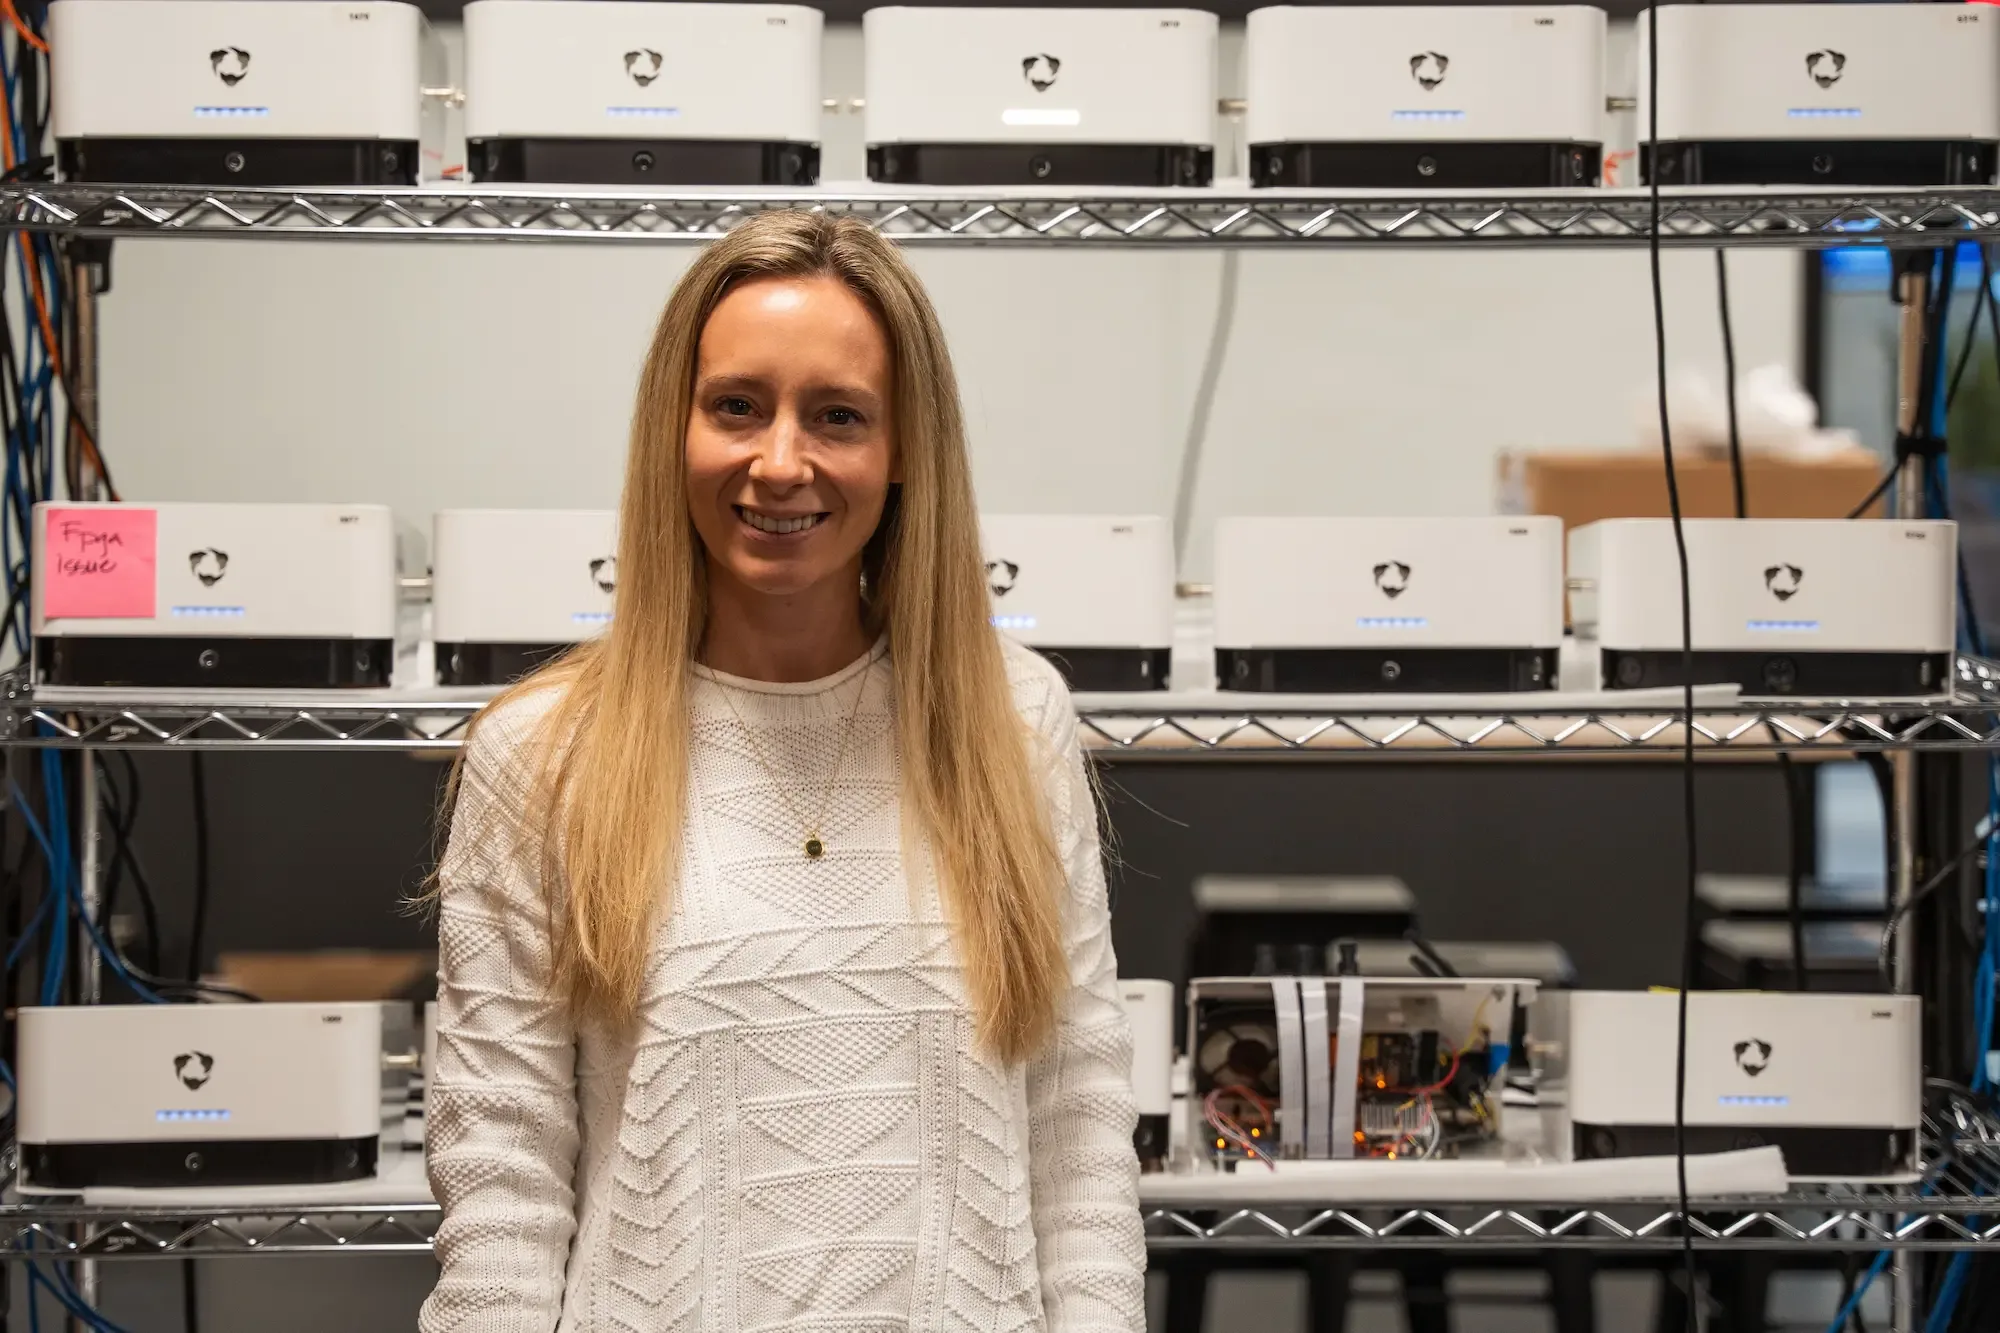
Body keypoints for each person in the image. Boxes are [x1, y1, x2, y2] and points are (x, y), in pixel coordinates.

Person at [420, 210, 1146, 1333]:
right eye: (737, 407)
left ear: (904, 450)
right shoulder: (544, 752)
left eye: (838, 416)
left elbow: (1078, 1125)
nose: (779, 461)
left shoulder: (1012, 716)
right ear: (677, 427)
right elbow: (501, 1180)